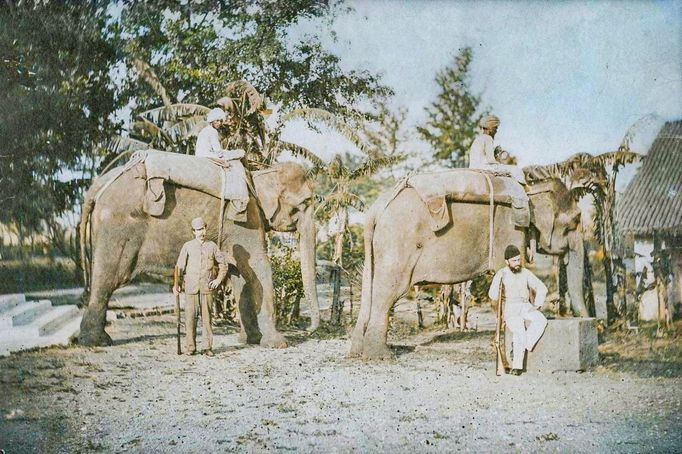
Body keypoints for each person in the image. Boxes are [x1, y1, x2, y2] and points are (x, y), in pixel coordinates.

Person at [488, 245, 548, 375]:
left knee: (541, 320)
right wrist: (499, 290)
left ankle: (523, 346)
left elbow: (541, 287)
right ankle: (517, 367)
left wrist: (537, 304)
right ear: (507, 261)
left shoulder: (525, 273)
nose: (517, 263)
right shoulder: (501, 273)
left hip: (526, 307)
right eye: (514, 261)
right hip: (511, 309)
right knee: (519, 330)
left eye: (518, 260)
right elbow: (492, 295)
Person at [173, 217, 229, 356]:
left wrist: (218, 280)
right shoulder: (187, 246)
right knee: (190, 318)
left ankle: (207, 347)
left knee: (207, 319)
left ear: (206, 229)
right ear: (193, 232)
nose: (201, 232)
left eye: (203, 228)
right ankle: (190, 348)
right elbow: (179, 267)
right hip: (191, 288)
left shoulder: (212, 246)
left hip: (207, 287)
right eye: (198, 230)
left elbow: (223, 265)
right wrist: (176, 285)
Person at [195, 107, 249, 218]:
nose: (219, 123)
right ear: (212, 121)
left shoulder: (205, 130)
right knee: (237, 157)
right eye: (217, 121)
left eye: (220, 121)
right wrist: (234, 153)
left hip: (201, 154)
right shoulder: (212, 132)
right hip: (207, 155)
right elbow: (218, 151)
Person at [469, 115, 526, 184]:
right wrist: (499, 163)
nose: (496, 131)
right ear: (490, 127)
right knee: (516, 170)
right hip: (483, 168)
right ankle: (526, 190)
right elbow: (490, 160)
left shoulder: (477, 139)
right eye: (495, 128)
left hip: (472, 168)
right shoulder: (488, 138)